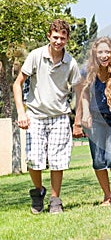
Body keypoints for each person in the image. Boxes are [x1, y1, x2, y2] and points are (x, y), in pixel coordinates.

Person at [13, 19, 82, 214]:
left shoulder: (71, 63)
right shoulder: (36, 56)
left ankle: (55, 200)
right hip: (35, 115)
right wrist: (21, 112)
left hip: (60, 116)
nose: (58, 41)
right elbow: (17, 84)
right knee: (34, 160)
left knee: (57, 160)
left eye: (62, 38)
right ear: (48, 36)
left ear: (67, 39)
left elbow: (79, 91)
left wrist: (77, 122)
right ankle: (38, 192)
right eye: (55, 37)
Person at [74, 37, 111, 206]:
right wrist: (84, 113)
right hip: (96, 118)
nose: (104, 55)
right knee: (98, 161)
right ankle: (107, 196)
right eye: (100, 52)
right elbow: (84, 94)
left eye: (107, 51)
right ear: (95, 53)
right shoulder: (86, 71)